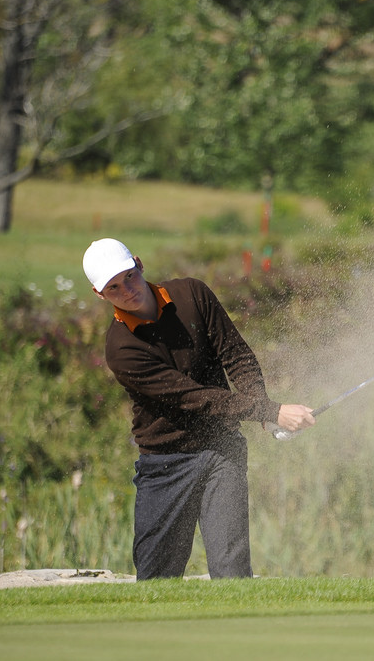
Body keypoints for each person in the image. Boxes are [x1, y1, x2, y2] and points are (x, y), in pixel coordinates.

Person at [82, 237, 315, 579]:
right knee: (157, 579)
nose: (127, 289)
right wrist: (268, 412)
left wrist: (262, 405)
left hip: (223, 451)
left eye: (128, 276)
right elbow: (194, 398)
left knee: (231, 571)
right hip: (165, 463)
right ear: (99, 294)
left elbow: (235, 355)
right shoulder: (122, 350)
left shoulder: (192, 294)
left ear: (139, 263)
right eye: (113, 287)